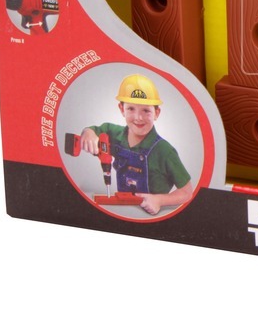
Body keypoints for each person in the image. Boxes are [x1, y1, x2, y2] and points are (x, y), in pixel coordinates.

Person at [79, 74, 193, 215]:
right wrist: (88, 132)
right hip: (123, 212)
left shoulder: (164, 151)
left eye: (146, 110)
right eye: (131, 109)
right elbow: (96, 130)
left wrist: (159, 200)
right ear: (121, 109)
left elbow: (187, 192)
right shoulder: (114, 133)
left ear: (157, 113)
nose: (138, 118)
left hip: (152, 217)